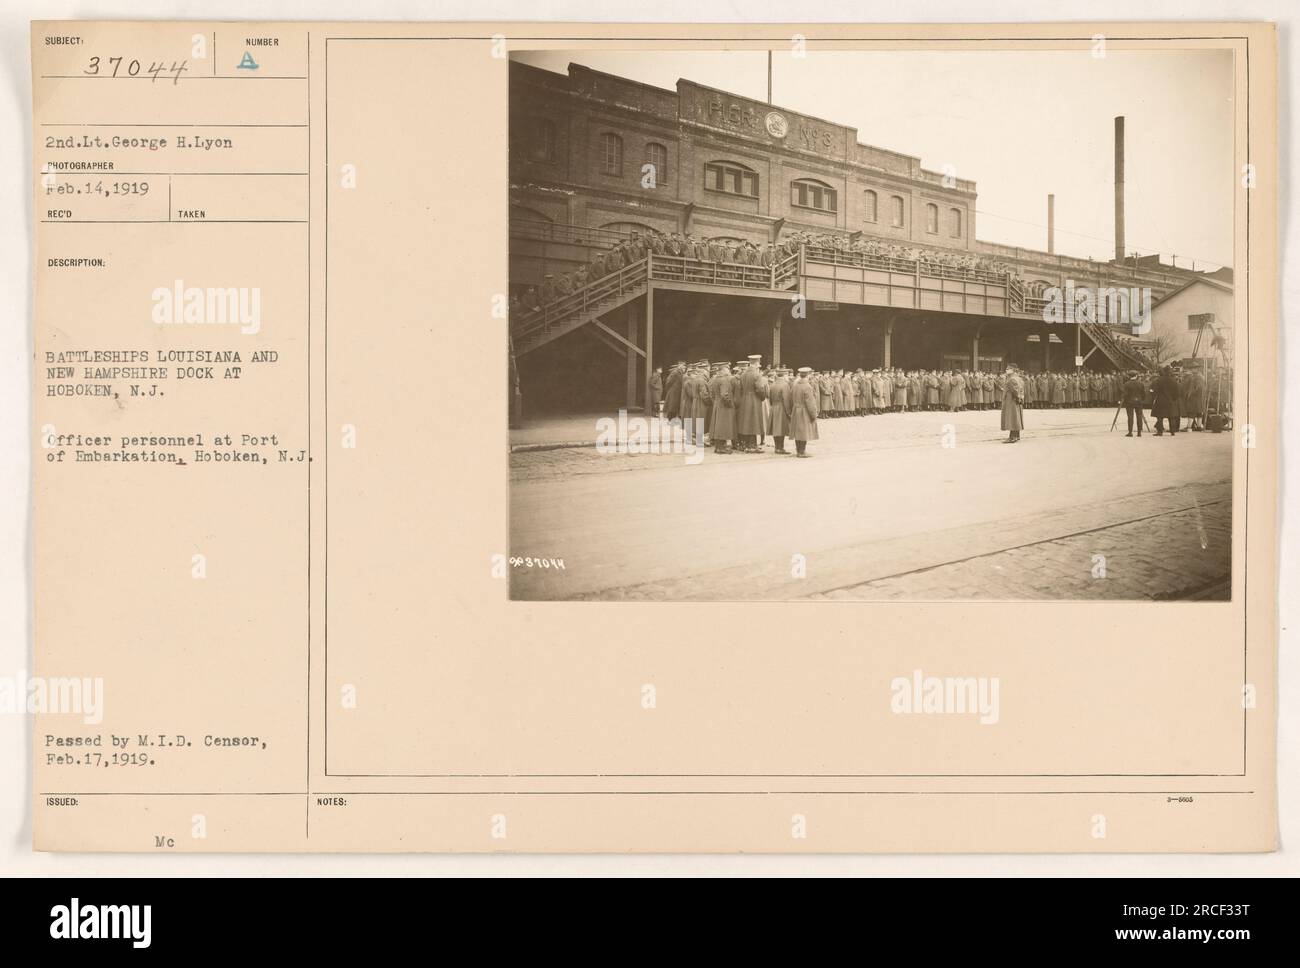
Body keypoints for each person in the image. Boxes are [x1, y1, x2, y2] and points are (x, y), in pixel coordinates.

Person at [737, 354, 767, 451]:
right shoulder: (757, 374)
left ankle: (745, 444)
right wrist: (762, 398)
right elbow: (760, 389)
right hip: (754, 399)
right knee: (754, 422)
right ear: (757, 363)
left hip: (744, 399)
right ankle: (752, 445)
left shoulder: (743, 374)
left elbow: (740, 388)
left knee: (746, 422)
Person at [791, 366, 820, 458]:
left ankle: (798, 450)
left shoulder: (795, 385)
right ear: (808, 375)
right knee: (804, 431)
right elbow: (810, 402)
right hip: (804, 410)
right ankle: (802, 451)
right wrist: (814, 414)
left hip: (796, 409)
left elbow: (791, 397)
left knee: (797, 431)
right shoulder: (807, 387)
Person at [707, 363, 735, 454]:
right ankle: (721, 448)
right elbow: (724, 394)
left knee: (717, 425)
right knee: (723, 426)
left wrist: (715, 401)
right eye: (727, 369)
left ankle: (719, 446)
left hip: (717, 404)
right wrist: (729, 403)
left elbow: (711, 394)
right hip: (723, 405)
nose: (728, 371)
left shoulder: (715, 379)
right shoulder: (724, 380)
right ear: (723, 370)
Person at [1152, 365, 1182, 437]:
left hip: (1160, 400)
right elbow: (1177, 392)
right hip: (1170, 400)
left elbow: (1155, 390)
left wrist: (1155, 396)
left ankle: (1160, 432)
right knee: (1171, 416)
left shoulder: (1159, 380)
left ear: (1164, 371)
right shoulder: (1173, 381)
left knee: (1160, 416)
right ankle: (1172, 431)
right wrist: (1173, 399)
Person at [767, 367, 792, 454]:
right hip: (781, 408)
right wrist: (789, 412)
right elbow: (786, 400)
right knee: (781, 429)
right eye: (787, 375)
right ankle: (780, 448)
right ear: (784, 375)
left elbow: (769, 398)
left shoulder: (773, 384)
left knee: (775, 429)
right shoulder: (785, 385)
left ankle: (777, 447)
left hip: (774, 407)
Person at [1001, 364, 1025, 443]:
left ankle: (1012, 437)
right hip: (1016, 401)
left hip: (1011, 401)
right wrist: (1020, 398)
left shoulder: (1011, 379)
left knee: (1012, 418)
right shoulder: (1018, 378)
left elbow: (1015, 391)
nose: (1006, 370)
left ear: (1012, 370)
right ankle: (1017, 435)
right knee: (1016, 418)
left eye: (1008, 369)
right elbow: (1021, 390)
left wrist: (1018, 397)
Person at [1120, 370, 1146, 437]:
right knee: (1139, 416)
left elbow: (1124, 394)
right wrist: (1141, 399)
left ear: (1129, 376)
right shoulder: (1140, 383)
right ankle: (1139, 432)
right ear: (1136, 376)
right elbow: (1143, 394)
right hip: (1139, 402)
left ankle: (1130, 432)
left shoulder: (1126, 384)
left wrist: (1123, 399)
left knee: (1130, 417)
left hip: (1129, 402)